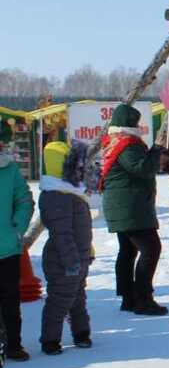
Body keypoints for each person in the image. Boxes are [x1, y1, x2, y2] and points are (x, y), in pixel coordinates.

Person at [100, 104, 169, 315]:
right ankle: (143, 299)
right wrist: (156, 150)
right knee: (151, 249)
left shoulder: (115, 142)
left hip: (123, 206)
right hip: (130, 207)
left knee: (128, 250)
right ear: (130, 124)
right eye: (137, 123)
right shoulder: (127, 144)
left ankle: (129, 298)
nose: (140, 126)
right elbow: (143, 168)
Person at [38, 141, 95, 355]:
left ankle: (81, 333)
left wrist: (88, 250)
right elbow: (62, 234)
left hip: (79, 256)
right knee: (60, 300)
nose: (80, 169)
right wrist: (71, 261)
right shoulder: (56, 195)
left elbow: (81, 229)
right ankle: (50, 340)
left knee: (78, 297)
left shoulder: (71, 191)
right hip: (63, 259)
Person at [0, 120, 34, 362]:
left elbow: (24, 200)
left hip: (8, 247)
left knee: (11, 300)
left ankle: (13, 345)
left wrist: (17, 228)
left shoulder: (9, 169)